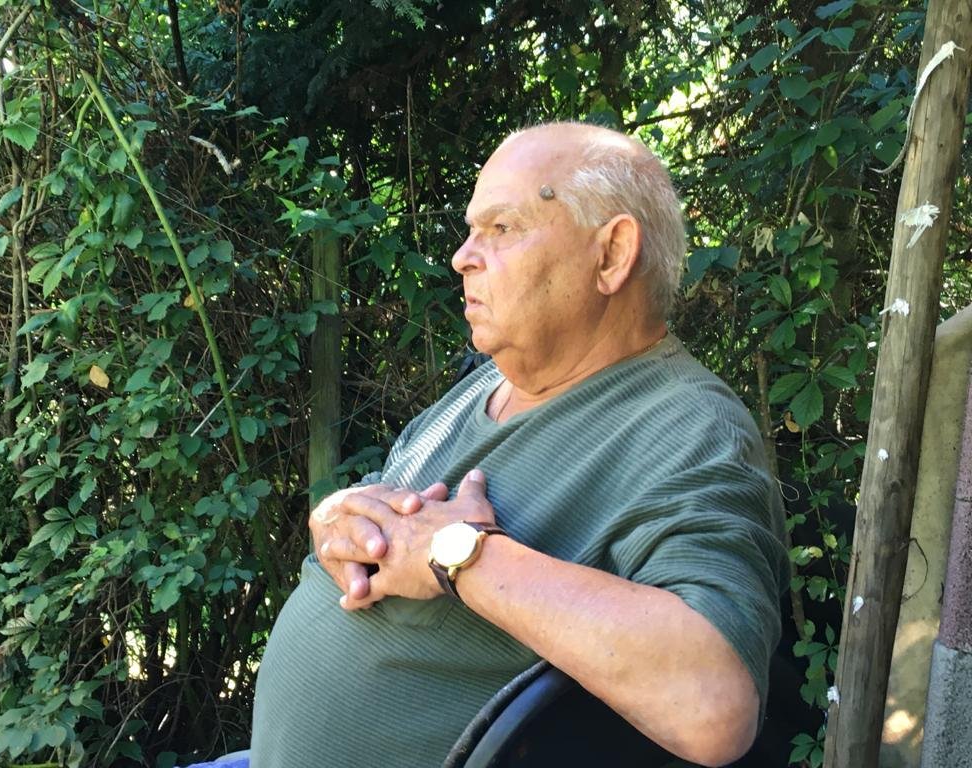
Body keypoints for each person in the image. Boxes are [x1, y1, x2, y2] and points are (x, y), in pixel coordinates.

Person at [249, 122, 789, 767]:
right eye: (471, 231)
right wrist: (341, 523)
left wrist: (464, 556)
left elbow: (714, 706)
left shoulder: (689, 428)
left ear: (612, 255)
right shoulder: (487, 385)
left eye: (502, 228)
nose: (462, 257)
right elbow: (401, 529)